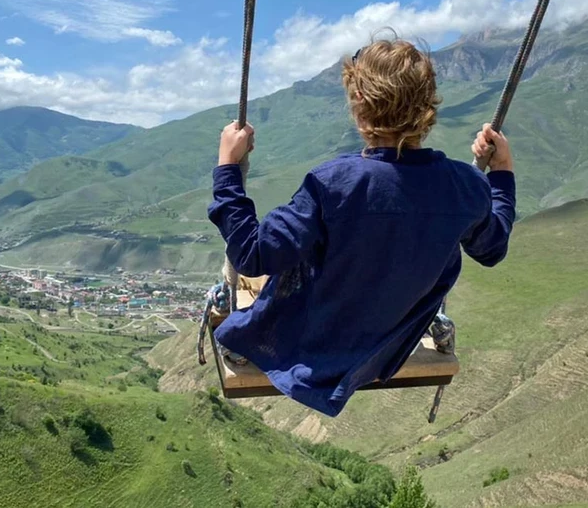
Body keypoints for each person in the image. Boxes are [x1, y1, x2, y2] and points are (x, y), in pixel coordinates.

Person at [207, 37, 516, 418]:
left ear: (359, 106)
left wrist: (228, 168)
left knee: (258, 277)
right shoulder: (465, 187)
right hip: (386, 348)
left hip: (309, 347)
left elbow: (252, 254)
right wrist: (501, 173)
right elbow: (492, 248)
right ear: (428, 107)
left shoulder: (334, 184)